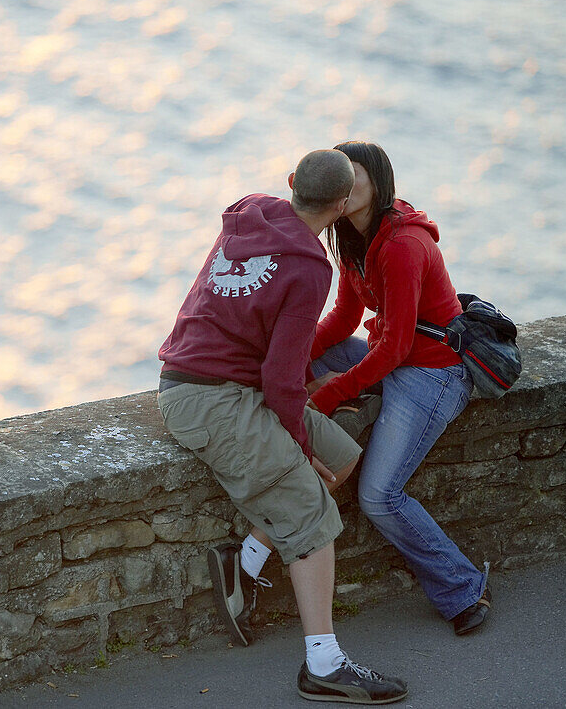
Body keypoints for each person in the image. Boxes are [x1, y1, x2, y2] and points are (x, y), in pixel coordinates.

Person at [158, 149, 408, 704]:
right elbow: (282, 377)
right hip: (209, 400)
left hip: (222, 383)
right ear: (343, 207)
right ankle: (323, 663)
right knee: (311, 515)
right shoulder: (308, 267)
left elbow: (277, 373)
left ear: (291, 182)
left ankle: (243, 561)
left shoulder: (251, 208)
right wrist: (296, 446)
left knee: (342, 458)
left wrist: (302, 436)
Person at [307, 140, 490, 636]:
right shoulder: (352, 239)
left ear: (378, 183)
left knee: (381, 496)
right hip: (392, 355)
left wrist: (327, 397)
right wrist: (299, 357)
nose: (345, 186)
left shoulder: (403, 246)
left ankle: (464, 589)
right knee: (308, 352)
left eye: (355, 176)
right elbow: (345, 318)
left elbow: (397, 350)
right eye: (339, 177)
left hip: (432, 372)